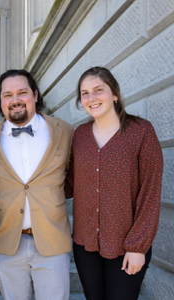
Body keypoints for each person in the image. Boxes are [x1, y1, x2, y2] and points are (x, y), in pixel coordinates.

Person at [65, 67, 163, 300]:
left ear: (115, 94)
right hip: (85, 243)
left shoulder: (141, 132)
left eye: (98, 90)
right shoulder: (80, 135)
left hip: (126, 245)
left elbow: (150, 193)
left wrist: (138, 247)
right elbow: (70, 184)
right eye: (85, 93)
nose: (91, 98)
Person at [0, 69, 74, 300]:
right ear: (0, 101)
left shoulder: (64, 132)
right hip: (8, 243)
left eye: (22, 92)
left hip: (52, 241)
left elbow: (73, 176)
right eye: (7, 95)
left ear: (36, 95)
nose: (15, 100)